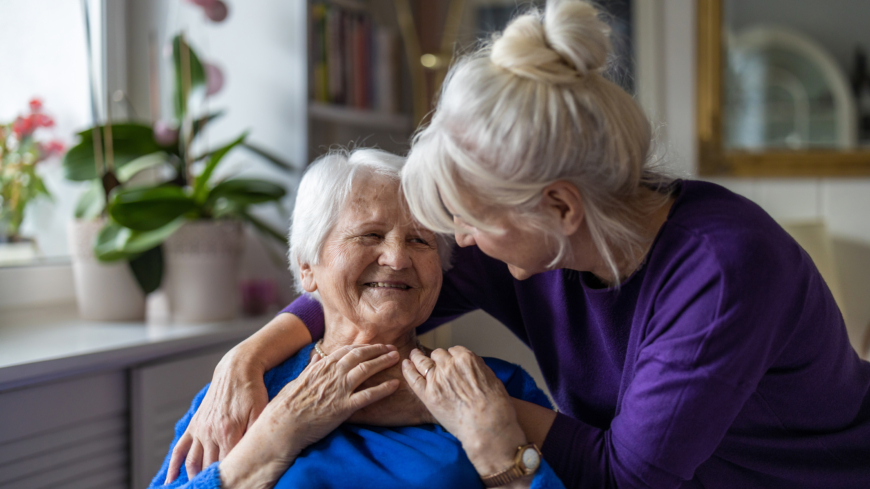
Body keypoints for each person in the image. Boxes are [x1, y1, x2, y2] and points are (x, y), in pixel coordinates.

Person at [171, 1, 870, 488]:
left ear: (559, 205)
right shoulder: (529, 241)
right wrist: (247, 358)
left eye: (464, 220)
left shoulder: (722, 273)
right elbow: (375, 284)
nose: (455, 242)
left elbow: (622, 477)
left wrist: (457, 414)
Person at [154, 149, 564, 489]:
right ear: (308, 266)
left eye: (420, 240)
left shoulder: (492, 386)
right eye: (369, 235)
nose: (398, 258)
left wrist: (498, 451)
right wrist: (275, 435)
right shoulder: (244, 395)